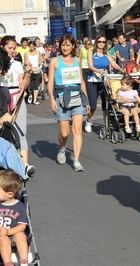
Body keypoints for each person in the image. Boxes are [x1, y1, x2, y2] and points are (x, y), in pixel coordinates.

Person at [47, 34, 91, 171]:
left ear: (73, 46)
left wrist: (87, 100)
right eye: (63, 45)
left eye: (68, 45)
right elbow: (50, 83)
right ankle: (62, 148)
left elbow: (82, 82)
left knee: (77, 130)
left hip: (77, 98)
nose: (65, 47)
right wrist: (52, 100)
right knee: (64, 133)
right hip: (61, 99)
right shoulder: (55, 61)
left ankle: (76, 160)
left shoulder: (77, 60)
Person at [0, 36, 35, 176]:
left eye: (14, 48)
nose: (13, 51)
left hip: (15, 96)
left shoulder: (17, 63)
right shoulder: (1, 62)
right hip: (2, 96)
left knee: (20, 132)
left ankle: (24, 164)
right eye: (10, 48)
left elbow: (23, 84)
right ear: (2, 47)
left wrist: (27, 73)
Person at [85, 35, 125, 133]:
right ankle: (89, 120)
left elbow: (114, 63)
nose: (101, 44)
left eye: (103, 42)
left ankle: (106, 125)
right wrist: (99, 71)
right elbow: (90, 66)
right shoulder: (91, 52)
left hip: (104, 81)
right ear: (96, 43)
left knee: (106, 104)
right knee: (93, 106)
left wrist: (121, 69)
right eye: (99, 42)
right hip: (93, 81)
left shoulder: (106, 53)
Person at [0, 169, 29, 266]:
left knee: (21, 235)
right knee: (3, 239)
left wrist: (8, 232)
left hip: (13, 233)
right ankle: (8, 263)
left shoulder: (19, 207)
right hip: (1, 237)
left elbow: (22, 226)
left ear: (10, 194)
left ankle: (24, 261)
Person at [24, 41, 43, 105]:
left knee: (36, 85)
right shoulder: (26, 53)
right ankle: (30, 95)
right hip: (30, 70)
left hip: (37, 70)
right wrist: (28, 63)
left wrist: (40, 62)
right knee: (30, 85)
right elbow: (24, 62)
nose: (31, 48)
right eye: (30, 46)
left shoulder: (38, 52)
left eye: (32, 46)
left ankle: (35, 99)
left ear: (34, 46)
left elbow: (41, 59)